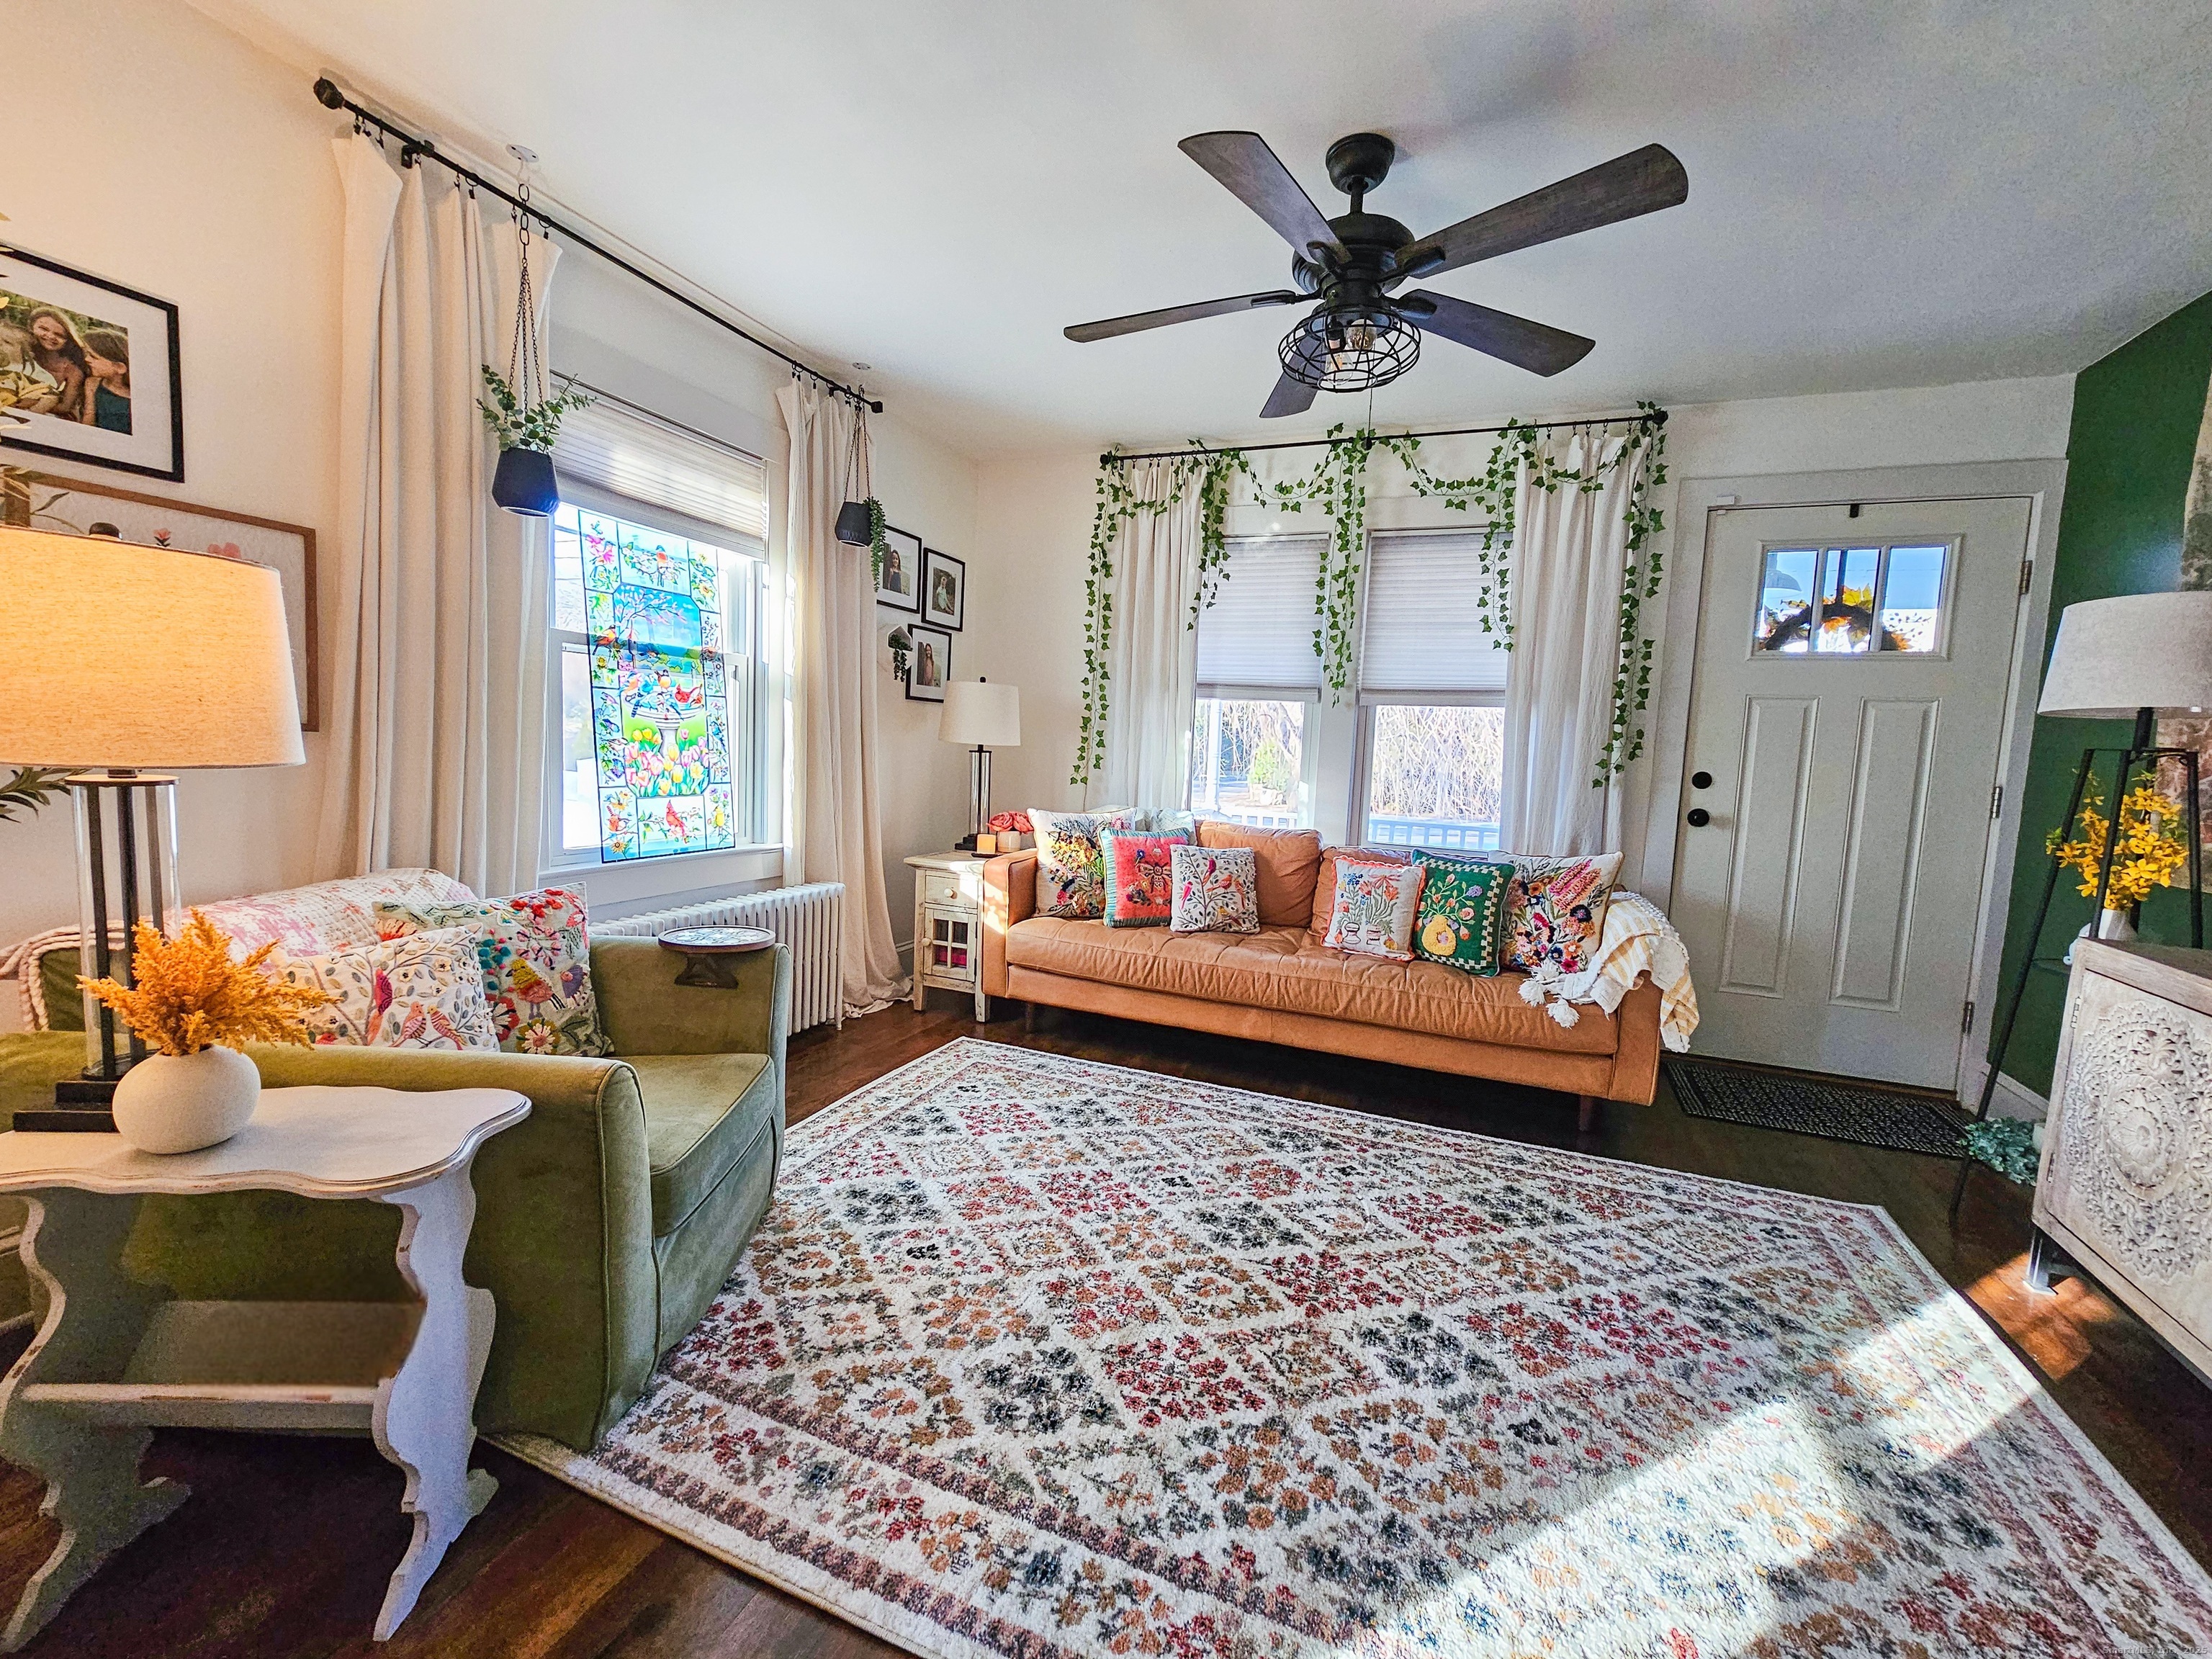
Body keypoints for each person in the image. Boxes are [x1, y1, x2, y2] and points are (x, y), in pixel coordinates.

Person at [26, 308, 89, 421]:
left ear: (67, 340)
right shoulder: (19, 350)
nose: (50, 336)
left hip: (49, 415)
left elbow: (65, 407)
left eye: (59, 335)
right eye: (43, 329)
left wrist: (30, 403)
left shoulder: (72, 368)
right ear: (31, 327)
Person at [0, 322, 61, 417]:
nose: (0, 345)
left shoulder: (39, 375)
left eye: (7, 342)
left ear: (27, 352)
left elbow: (49, 398)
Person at [78, 328, 130, 433]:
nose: (87, 359)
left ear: (120, 367)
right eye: (87, 354)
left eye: (93, 356)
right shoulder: (94, 383)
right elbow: (88, 424)